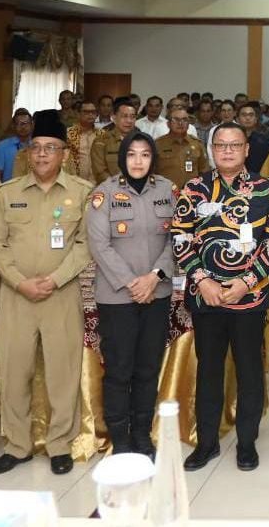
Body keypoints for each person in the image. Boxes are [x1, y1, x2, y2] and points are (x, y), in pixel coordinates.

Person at [0, 111, 93, 477]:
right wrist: (19, 281)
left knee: (63, 372)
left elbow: (85, 245)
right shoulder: (7, 193)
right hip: (16, 296)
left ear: (64, 154)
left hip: (61, 294)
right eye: (37, 148)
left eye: (51, 148)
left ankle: (61, 443)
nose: (43, 154)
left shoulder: (82, 193)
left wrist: (56, 279)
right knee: (15, 371)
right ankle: (17, 445)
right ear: (28, 154)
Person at [173, 121, 269, 473]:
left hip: (249, 299)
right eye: (220, 145)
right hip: (206, 298)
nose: (226, 151)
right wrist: (202, 279)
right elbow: (180, 238)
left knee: (250, 371)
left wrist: (248, 282)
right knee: (209, 370)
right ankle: (206, 443)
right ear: (211, 149)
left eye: (234, 145)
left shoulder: (265, 189)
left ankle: (247, 443)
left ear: (246, 150)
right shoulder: (195, 188)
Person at [86, 131, 175, 457]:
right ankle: (120, 436)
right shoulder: (104, 193)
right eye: (132, 155)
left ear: (153, 158)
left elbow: (175, 240)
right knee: (120, 367)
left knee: (148, 366)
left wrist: (153, 278)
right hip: (117, 297)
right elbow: (99, 244)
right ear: (123, 158)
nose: (138, 161)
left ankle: (141, 433)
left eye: (145, 155)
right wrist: (132, 283)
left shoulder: (167, 190)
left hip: (157, 293)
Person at [157, 105, 210, 188]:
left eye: (184, 120)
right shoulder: (158, 144)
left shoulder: (197, 144)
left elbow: (205, 172)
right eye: (176, 120)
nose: (180, 123)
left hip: (192, 193)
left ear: (189, 124)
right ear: (168, 124)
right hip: (164, 194)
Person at [92, 98, 136, 184]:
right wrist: (121, 186)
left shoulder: (142, 141)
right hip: (111, 191)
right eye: (124, 116)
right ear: (114, 118)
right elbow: (100, 172)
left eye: (132, 117)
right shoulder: (101, 141)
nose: (129, 121)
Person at [0, 110, 31, 182]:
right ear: (13, 126)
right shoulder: (3, 145)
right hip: (9, 188)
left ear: (32, 125)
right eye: (19, 124)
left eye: (26, 123)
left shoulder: (37, 145)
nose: (23, 127)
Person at [238, 103, 269, 175]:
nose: (247, 118)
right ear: (238, 119)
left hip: (259, 180)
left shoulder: (264, 141)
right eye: (244, 115)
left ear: (256, 119)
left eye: (251, 115)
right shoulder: (231, 140)